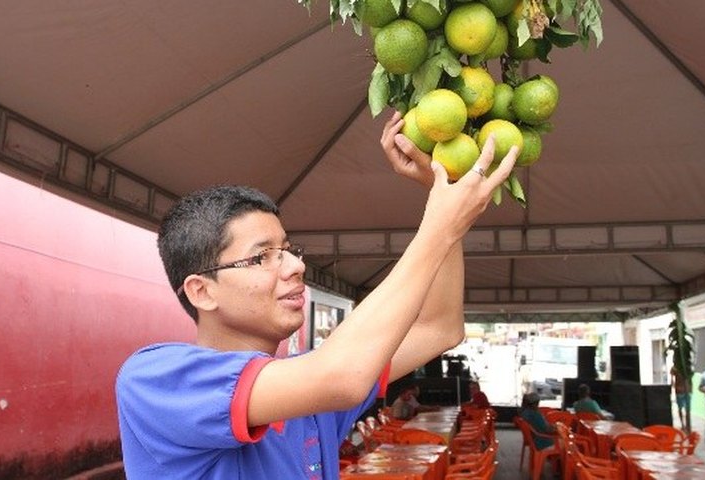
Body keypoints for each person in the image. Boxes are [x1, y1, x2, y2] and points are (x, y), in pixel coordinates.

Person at [114, 111, 519, 479]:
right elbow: (341, 374)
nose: (294, 266)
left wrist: (440, 200)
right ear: (201, 291)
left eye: (287, 250)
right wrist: (439, 226)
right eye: (262, 257)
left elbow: (438, 328)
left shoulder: (312, 391)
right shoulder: (155, 380)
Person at [670, 364, 692, 433]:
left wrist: (674, 386)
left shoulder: (675, 367)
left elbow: (672, 379)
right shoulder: (687, 367)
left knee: (681, 408)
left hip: (679, 390)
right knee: (686, 409)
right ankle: (686, 425)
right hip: (686, 390)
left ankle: (683, 424)